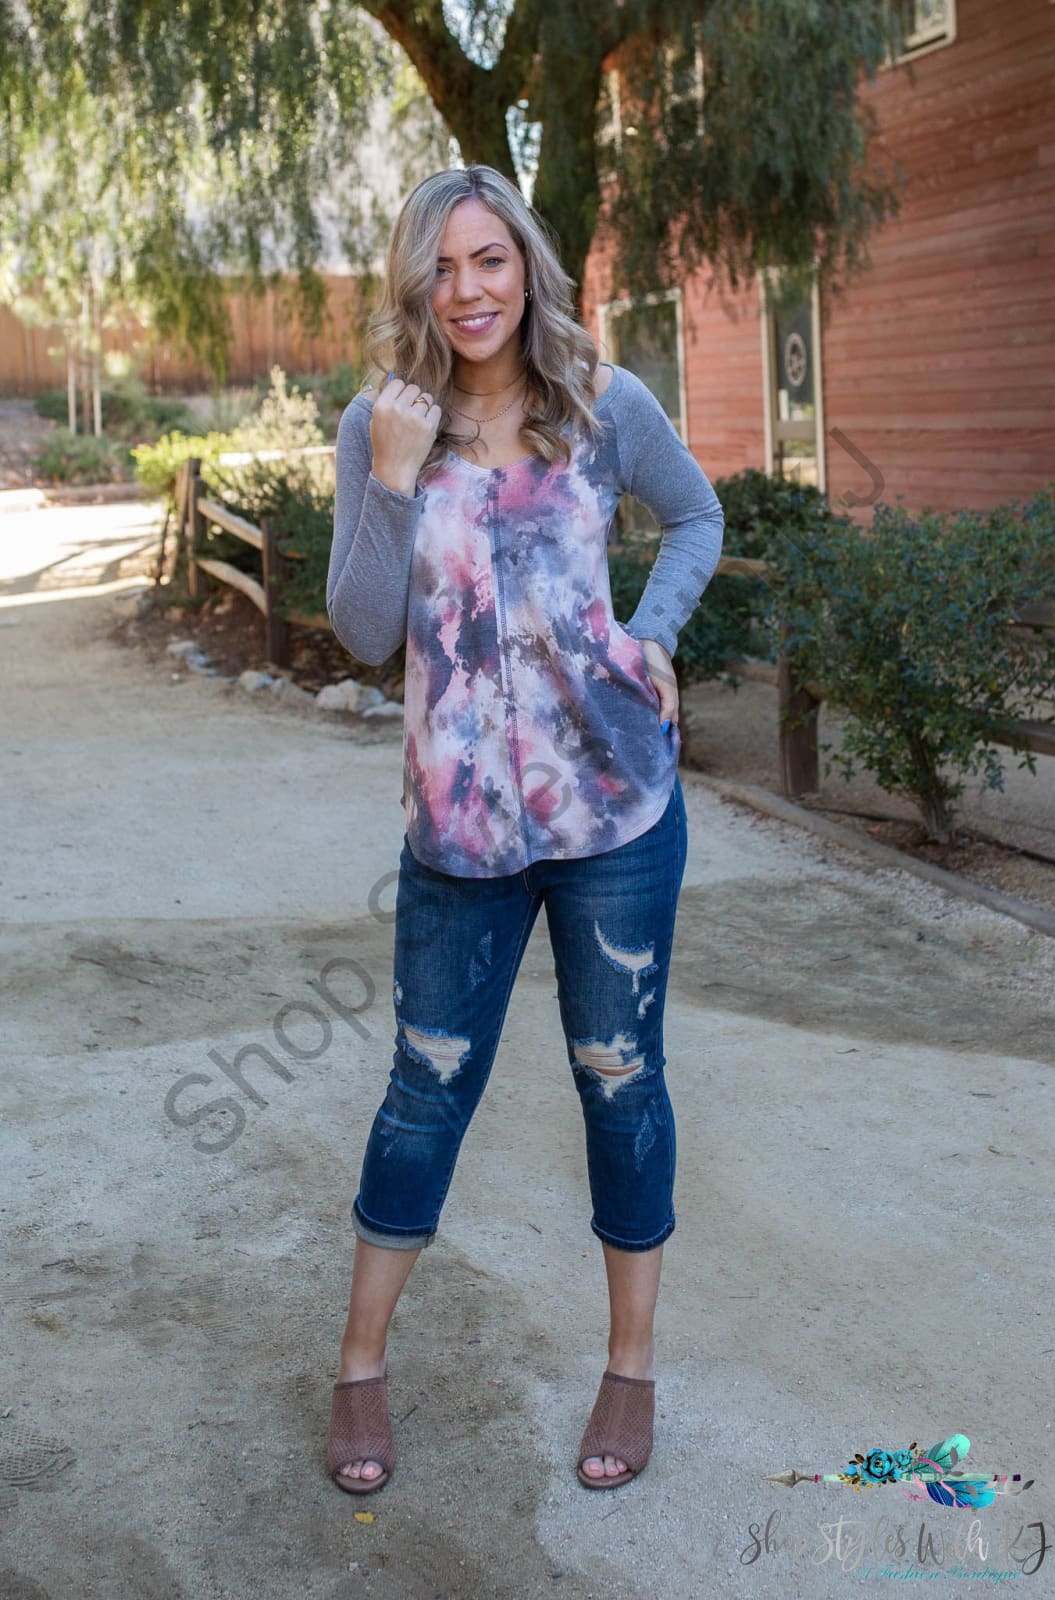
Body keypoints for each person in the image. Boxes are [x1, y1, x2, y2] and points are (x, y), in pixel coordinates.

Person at [324, 163, 724, 1495]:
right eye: (439, 267)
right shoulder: (377, 426)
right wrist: (387, 480)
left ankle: (629, 1370)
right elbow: (367, 633)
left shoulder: (603, 408)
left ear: (526, 269)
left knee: (618, 1079)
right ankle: (360, 1373)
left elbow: (695, 515)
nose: (467, 290)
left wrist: (651, 636)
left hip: (614, 812)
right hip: (457, 837)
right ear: (411, 286)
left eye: (488, 260)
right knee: (423, 1085)